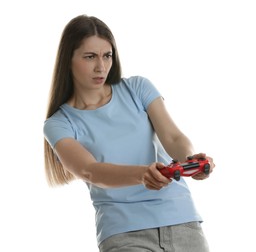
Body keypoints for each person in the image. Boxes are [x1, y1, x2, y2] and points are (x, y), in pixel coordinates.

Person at [43, 14, 215, 252]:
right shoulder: (59, 123)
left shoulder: (138, 88)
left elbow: (173, 137)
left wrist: (189, 159)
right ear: (68, 59)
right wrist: (143, 174)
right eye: (90, 57)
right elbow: (90, 171)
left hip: (181, 219)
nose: (100, 66)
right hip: (124, 232)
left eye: (107, 56)